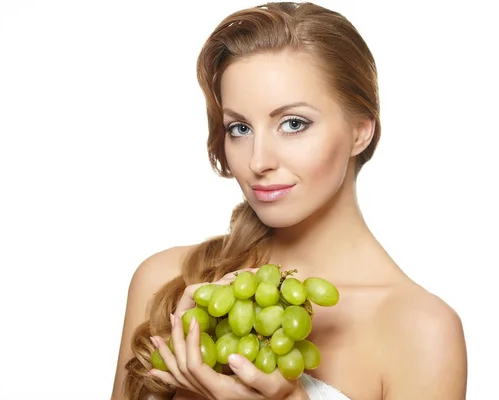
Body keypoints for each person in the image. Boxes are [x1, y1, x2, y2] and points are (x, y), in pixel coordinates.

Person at [111, 2, 468, 399]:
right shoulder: (165, 282)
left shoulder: (421, 331)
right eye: (240, 128)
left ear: (360, 132)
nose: (258, 162)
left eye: (293, 124)